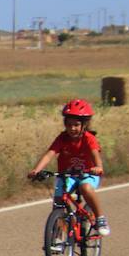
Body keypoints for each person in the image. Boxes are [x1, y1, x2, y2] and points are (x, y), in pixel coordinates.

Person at [27, 98, 110, 235]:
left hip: (88, 174)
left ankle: (100, 218)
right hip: (67, 175)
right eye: (69, 125)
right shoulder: (62, 138)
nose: (72, 128)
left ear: (84, 125)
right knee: (58, 203)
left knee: (85, 187)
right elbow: (50, 154)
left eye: (76, 125)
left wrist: (98, 167)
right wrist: (37, 170)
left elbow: (96, 156)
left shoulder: (89, 138)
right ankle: (58, 235)